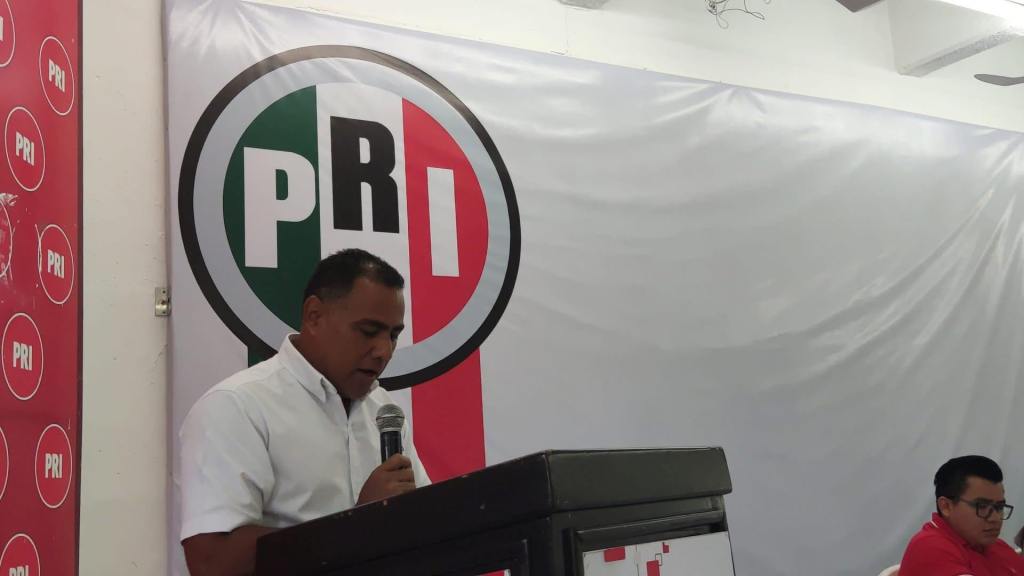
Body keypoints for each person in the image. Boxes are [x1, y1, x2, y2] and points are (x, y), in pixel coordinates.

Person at [179, 249, 430, 576]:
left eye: (393, 335)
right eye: (369, 331)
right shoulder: (237, 406)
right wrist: (358, 524)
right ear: (314, 316)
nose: (384, 351)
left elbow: (430, 530)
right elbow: (213, 562)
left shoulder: (383, 412)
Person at [899, 455, 1023, 576]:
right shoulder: (929, 548)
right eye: (982, 506)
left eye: (999, 507)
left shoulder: (995, 545)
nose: (995, 518)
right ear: (946, 506)